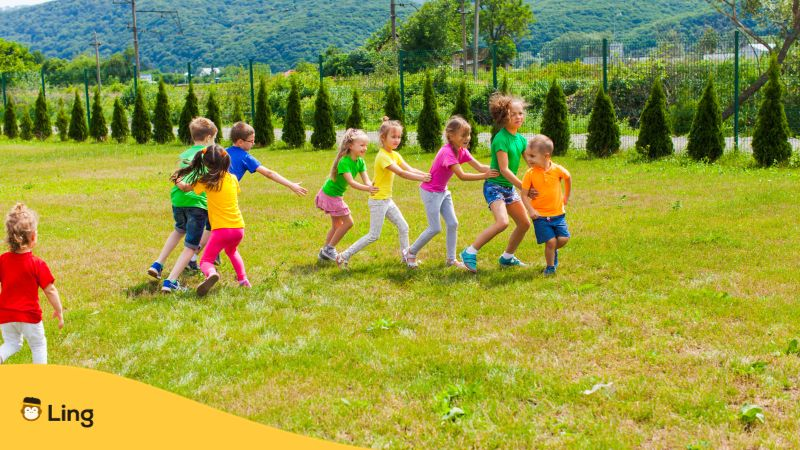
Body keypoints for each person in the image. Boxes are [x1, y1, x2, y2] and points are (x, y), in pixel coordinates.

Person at [336, 118, 431, 269]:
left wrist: (427, 174)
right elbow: (402, 173)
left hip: (387, 200)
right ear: (383, 138)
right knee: (374, 235)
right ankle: (343, 256)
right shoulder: (383, 157)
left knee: (404, 227)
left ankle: (406, 258)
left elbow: (410, 169)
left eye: (399, 137)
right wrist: (423, 178)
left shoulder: (395, 154)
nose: (397, 140)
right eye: (393, 137)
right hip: (378, 201)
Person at [405, 116, 498, 269]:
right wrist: (485, 176)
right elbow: (462, 176)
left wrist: (499, 169)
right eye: (463, 135)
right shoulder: (447, 152)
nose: (467, 138)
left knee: (453, 223)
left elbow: (480, 166)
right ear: (451, 136)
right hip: (431, 192)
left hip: (443, 191)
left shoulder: (461, 151)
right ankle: (410, 252)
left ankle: (451, 259)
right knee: (434, 228)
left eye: (468, 134)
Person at [460, 94, 531, 272]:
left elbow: (532, 163)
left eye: (520, 113)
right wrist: (523, 186)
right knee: (502, 223)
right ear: (503, 116)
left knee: (524, 224)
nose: (518, 117)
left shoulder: (521, 140)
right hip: (494, 187)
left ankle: (507, 257)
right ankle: (469, 252)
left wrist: (546, 170)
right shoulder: (501, 139)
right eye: (513, 114)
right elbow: (505, 170)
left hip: (508, 187)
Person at [149, 117, 217, 293]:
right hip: (196, 204)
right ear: (209, 137)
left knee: (179, 230)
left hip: (178, 201)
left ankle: (158, 263)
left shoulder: (185, 154)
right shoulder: (208, 155)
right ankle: (170, 282)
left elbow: (180, 176)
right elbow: (198, 182)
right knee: (191, 246)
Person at [173, 145, 248, 296]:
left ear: (206, 165)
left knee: (205, 261)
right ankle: (243, 281)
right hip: (239, 228)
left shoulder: (205, 181)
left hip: (221, 230)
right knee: (232, 251)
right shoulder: (232, 178)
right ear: (225, 161)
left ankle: (211, 273)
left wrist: (177, 181)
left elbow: (186, 188)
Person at [0, 203, 63, 364]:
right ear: (33, 237)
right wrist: (59, 310)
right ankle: (39, 380)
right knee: (38, 345)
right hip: (30, 316)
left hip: (6, 316)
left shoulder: (3, 261)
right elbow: (50, 290)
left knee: (11, 344)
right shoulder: (37, 264)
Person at [315, 128, 378, 262]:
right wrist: (368, 189)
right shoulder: (344, 161)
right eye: (362, 145)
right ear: (350, 146)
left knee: (337, 225)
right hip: (330, 195)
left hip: (334, 194)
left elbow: (366, 179)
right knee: (348, 222)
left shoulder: (360, 161)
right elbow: (352, 182)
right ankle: (329, 249)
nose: (365, 148)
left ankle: (324, 252)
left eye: (366, 145)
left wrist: (371, 185)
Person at [521, 135, 572, 275]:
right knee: (550, 241)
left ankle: (552, 251)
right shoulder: (530, 173)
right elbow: (524, 195)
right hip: (540, 216)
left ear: (546, 156)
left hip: (558, 214)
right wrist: (530, 210)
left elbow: (568, 177)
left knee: (563, 239)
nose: (528, 159)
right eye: (527, 155)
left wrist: (566, 196)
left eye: (532, 156)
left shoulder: (557, 170)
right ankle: (550, 267)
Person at [226, 121, 308, 194]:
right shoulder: (245, 157)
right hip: (227, 192)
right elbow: (269, 173)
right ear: (240, 142)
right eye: (251, 141)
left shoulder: (221, 151)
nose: (253, 143)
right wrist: (291, 185)